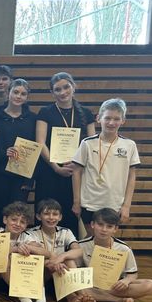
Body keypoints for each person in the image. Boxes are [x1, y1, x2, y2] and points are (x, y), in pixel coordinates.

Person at [52, 208, 152, 302]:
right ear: (93, 225)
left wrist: (126, 281)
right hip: (91, 286)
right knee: (70, 284)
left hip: (114, 287)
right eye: (100, 224)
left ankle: (98, 296)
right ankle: (118, 300)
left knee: (151, 285)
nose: (104, 229)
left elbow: (133, 273)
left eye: (109, 226)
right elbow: (70, 268)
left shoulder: (124, 248)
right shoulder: (81, 245)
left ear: (115, 229)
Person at [36, 72, 96, 231]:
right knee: (47, 211)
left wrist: (78, 165)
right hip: (50, 171)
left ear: (73, 87)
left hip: (76, 173)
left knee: (71, 214)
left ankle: (70, 251)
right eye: (57, 89)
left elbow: (92, 144)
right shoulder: (45, 112)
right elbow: (40, 142)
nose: (62, 92)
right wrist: (55, 166)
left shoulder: (86, 113)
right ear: (52, 93)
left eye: (66, 87)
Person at [72, 98, 139, 237]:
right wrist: (77, 202)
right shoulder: (87, 143)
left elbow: (132, 176)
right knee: (91, 242)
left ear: (123, 121)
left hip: (114, 204)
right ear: (98, 118)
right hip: (89, 203)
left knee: (106, 244)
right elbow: (76, 172)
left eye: (116, 119)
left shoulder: (129, 145)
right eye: (107, 118)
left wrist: (126, 206)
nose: (111, 123)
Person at [27, 198, 96, 302]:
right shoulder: (30, 233)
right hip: (41, 275)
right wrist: (53, 262)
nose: (51, 217)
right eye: (46, 214)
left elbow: (78, 251)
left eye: (55, 214)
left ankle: (75, 300)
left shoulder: (65, 232)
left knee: (68, 261)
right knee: (59, 265)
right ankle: (84, 296)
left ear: (60, 217)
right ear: (38, 217)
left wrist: (62, 257)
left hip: (60, 274)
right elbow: (33, 256)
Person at [0, 201, 52, 302]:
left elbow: (47, 253)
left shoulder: (26, 236)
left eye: (22, 222)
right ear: (5, 220)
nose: (18, 224)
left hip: (22, 278)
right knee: (5, 257)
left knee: (35, 256)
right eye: (14, 220)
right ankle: (26, 301)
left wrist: (29, 247)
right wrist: (16, 249)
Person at [0, 79, 37, 229]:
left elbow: (35, 150)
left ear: (27, 97)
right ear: (8, 93)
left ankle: (16, 248)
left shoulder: (32, 119)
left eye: (23, 94)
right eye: (15, 92)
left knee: (18, 214)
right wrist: (4, 153)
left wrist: (29, 180)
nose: (19, 96)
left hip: (21, 176)